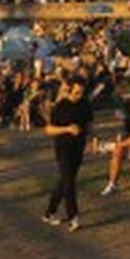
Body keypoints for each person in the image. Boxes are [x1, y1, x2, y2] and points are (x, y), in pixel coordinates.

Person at [43, 77, 92, 231]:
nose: (79, 95)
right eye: (77, 92)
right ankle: (74, 217)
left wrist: (93, 139)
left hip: (79, 147)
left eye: (81, 92)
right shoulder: (61, 107)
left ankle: (49, 212)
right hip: (63, 148)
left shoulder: (85, 105)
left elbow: (90, 124)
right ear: (70, 90)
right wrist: (67, 129)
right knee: (69, 183)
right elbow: (49, 130)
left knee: (65, 181)